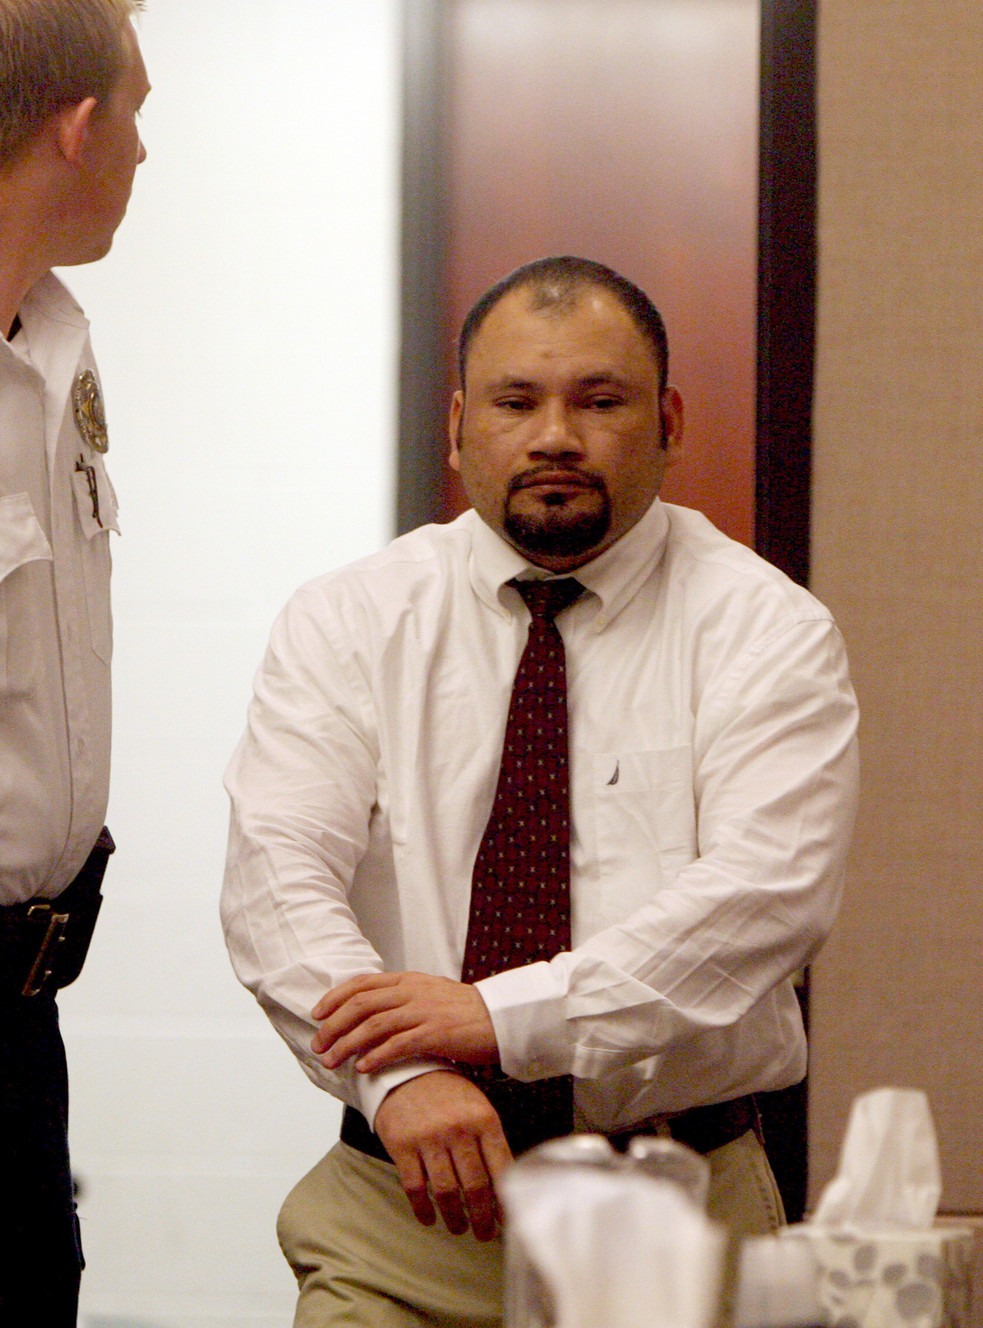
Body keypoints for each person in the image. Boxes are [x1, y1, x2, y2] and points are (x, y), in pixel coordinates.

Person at [222, 255, 859, 1328]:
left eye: (598, 400)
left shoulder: (765, 628)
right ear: (462, 422)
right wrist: (401, 1077)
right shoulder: (348, 618)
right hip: (403, 1210)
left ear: (667, 421)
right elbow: (275, 881)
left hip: (682, 1214)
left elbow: (765, 895)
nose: (554, 434)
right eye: (517, 401)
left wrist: (497, 1015)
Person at [0, 1, 149, 1321]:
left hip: (23, 1002)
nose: (145, 153)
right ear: (79, 124)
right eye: (139, 114)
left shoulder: (53, 340)